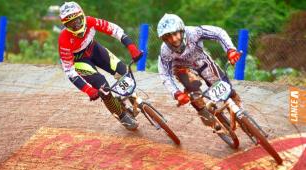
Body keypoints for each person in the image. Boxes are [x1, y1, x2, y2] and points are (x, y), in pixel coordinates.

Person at [58, 2, 143, 130]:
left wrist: (131, 47)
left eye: (78, 21)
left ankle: (134, 98)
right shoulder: (63, 39)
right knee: (104, 89)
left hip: (95, 50)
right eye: (71, 24)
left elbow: (114, 30)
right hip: (80, 61)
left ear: (83, 16)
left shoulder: (90, 21)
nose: (76, 26)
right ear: (65, 26)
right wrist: (88, 90)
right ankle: (121, 116)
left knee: (122, 70)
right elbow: (69, 70)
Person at [157, 13, 241, 127]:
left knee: (226, 89)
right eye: (167, 37)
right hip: (181, 69)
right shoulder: (165, 51)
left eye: (175, 34)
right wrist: (176, 93)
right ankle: (207, 116)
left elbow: (218, 32)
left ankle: (240, 113)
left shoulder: (194, 32)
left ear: (181, 30)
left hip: (201, 61)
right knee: (194, 94)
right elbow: (164, 73)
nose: (173, 39)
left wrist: (230, 50)